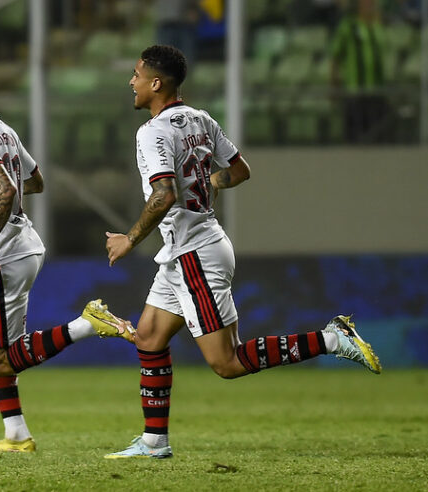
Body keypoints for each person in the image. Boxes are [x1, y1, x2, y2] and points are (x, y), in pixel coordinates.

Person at [102, 45, 382, 459]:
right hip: (189, 251)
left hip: (196, 255)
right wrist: (210, 181)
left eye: (137, 74)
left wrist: (129, 238)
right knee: (148, 337)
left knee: (227, 364)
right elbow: (239, 171)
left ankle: (331, 338)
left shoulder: (152, 132)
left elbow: (163, 195)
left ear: (155, 83)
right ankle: (153, 442)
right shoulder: (201, 119)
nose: (132, 81)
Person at [0, 56, 135, 453]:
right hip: (20, 245)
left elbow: (6, 189)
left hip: (2, 252)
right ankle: (17, 434)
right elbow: (34, 181)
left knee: (0, 358)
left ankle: (88, 324)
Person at [331, 0, 389, 143]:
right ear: (359, 6)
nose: (369, 5)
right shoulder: (349, 26)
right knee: (355, 135)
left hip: (377, 90)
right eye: (366, 3)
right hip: (355, 90)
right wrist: (334, 82)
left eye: (371, 3)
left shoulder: (378, 27)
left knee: (376, 135)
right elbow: (335, 56)